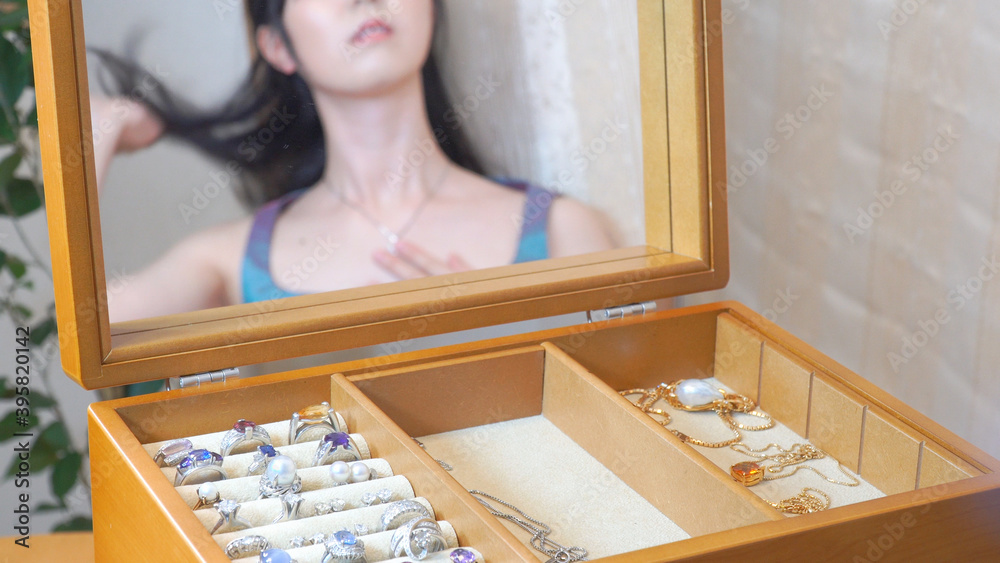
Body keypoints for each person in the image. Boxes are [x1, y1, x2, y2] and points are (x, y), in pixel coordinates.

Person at [92, 0, 618, 323]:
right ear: (277, 46)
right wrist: (104, 128)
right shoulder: (228, 260)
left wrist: (489, 338)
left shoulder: (564, 231)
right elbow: (84, 335)